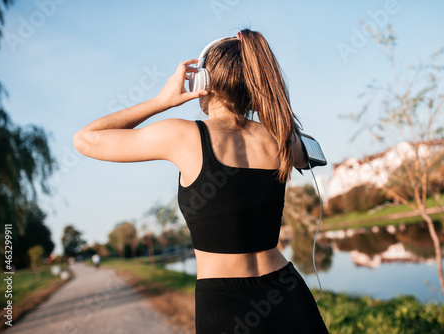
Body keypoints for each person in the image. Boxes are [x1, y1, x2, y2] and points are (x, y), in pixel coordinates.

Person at [74, 29, 329, 333]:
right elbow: (312, 153)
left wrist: (161, 101)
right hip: (289, 295)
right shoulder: (282, 139)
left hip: (226, 305)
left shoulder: (183, 136)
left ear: (202, 82)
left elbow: (86, 140)